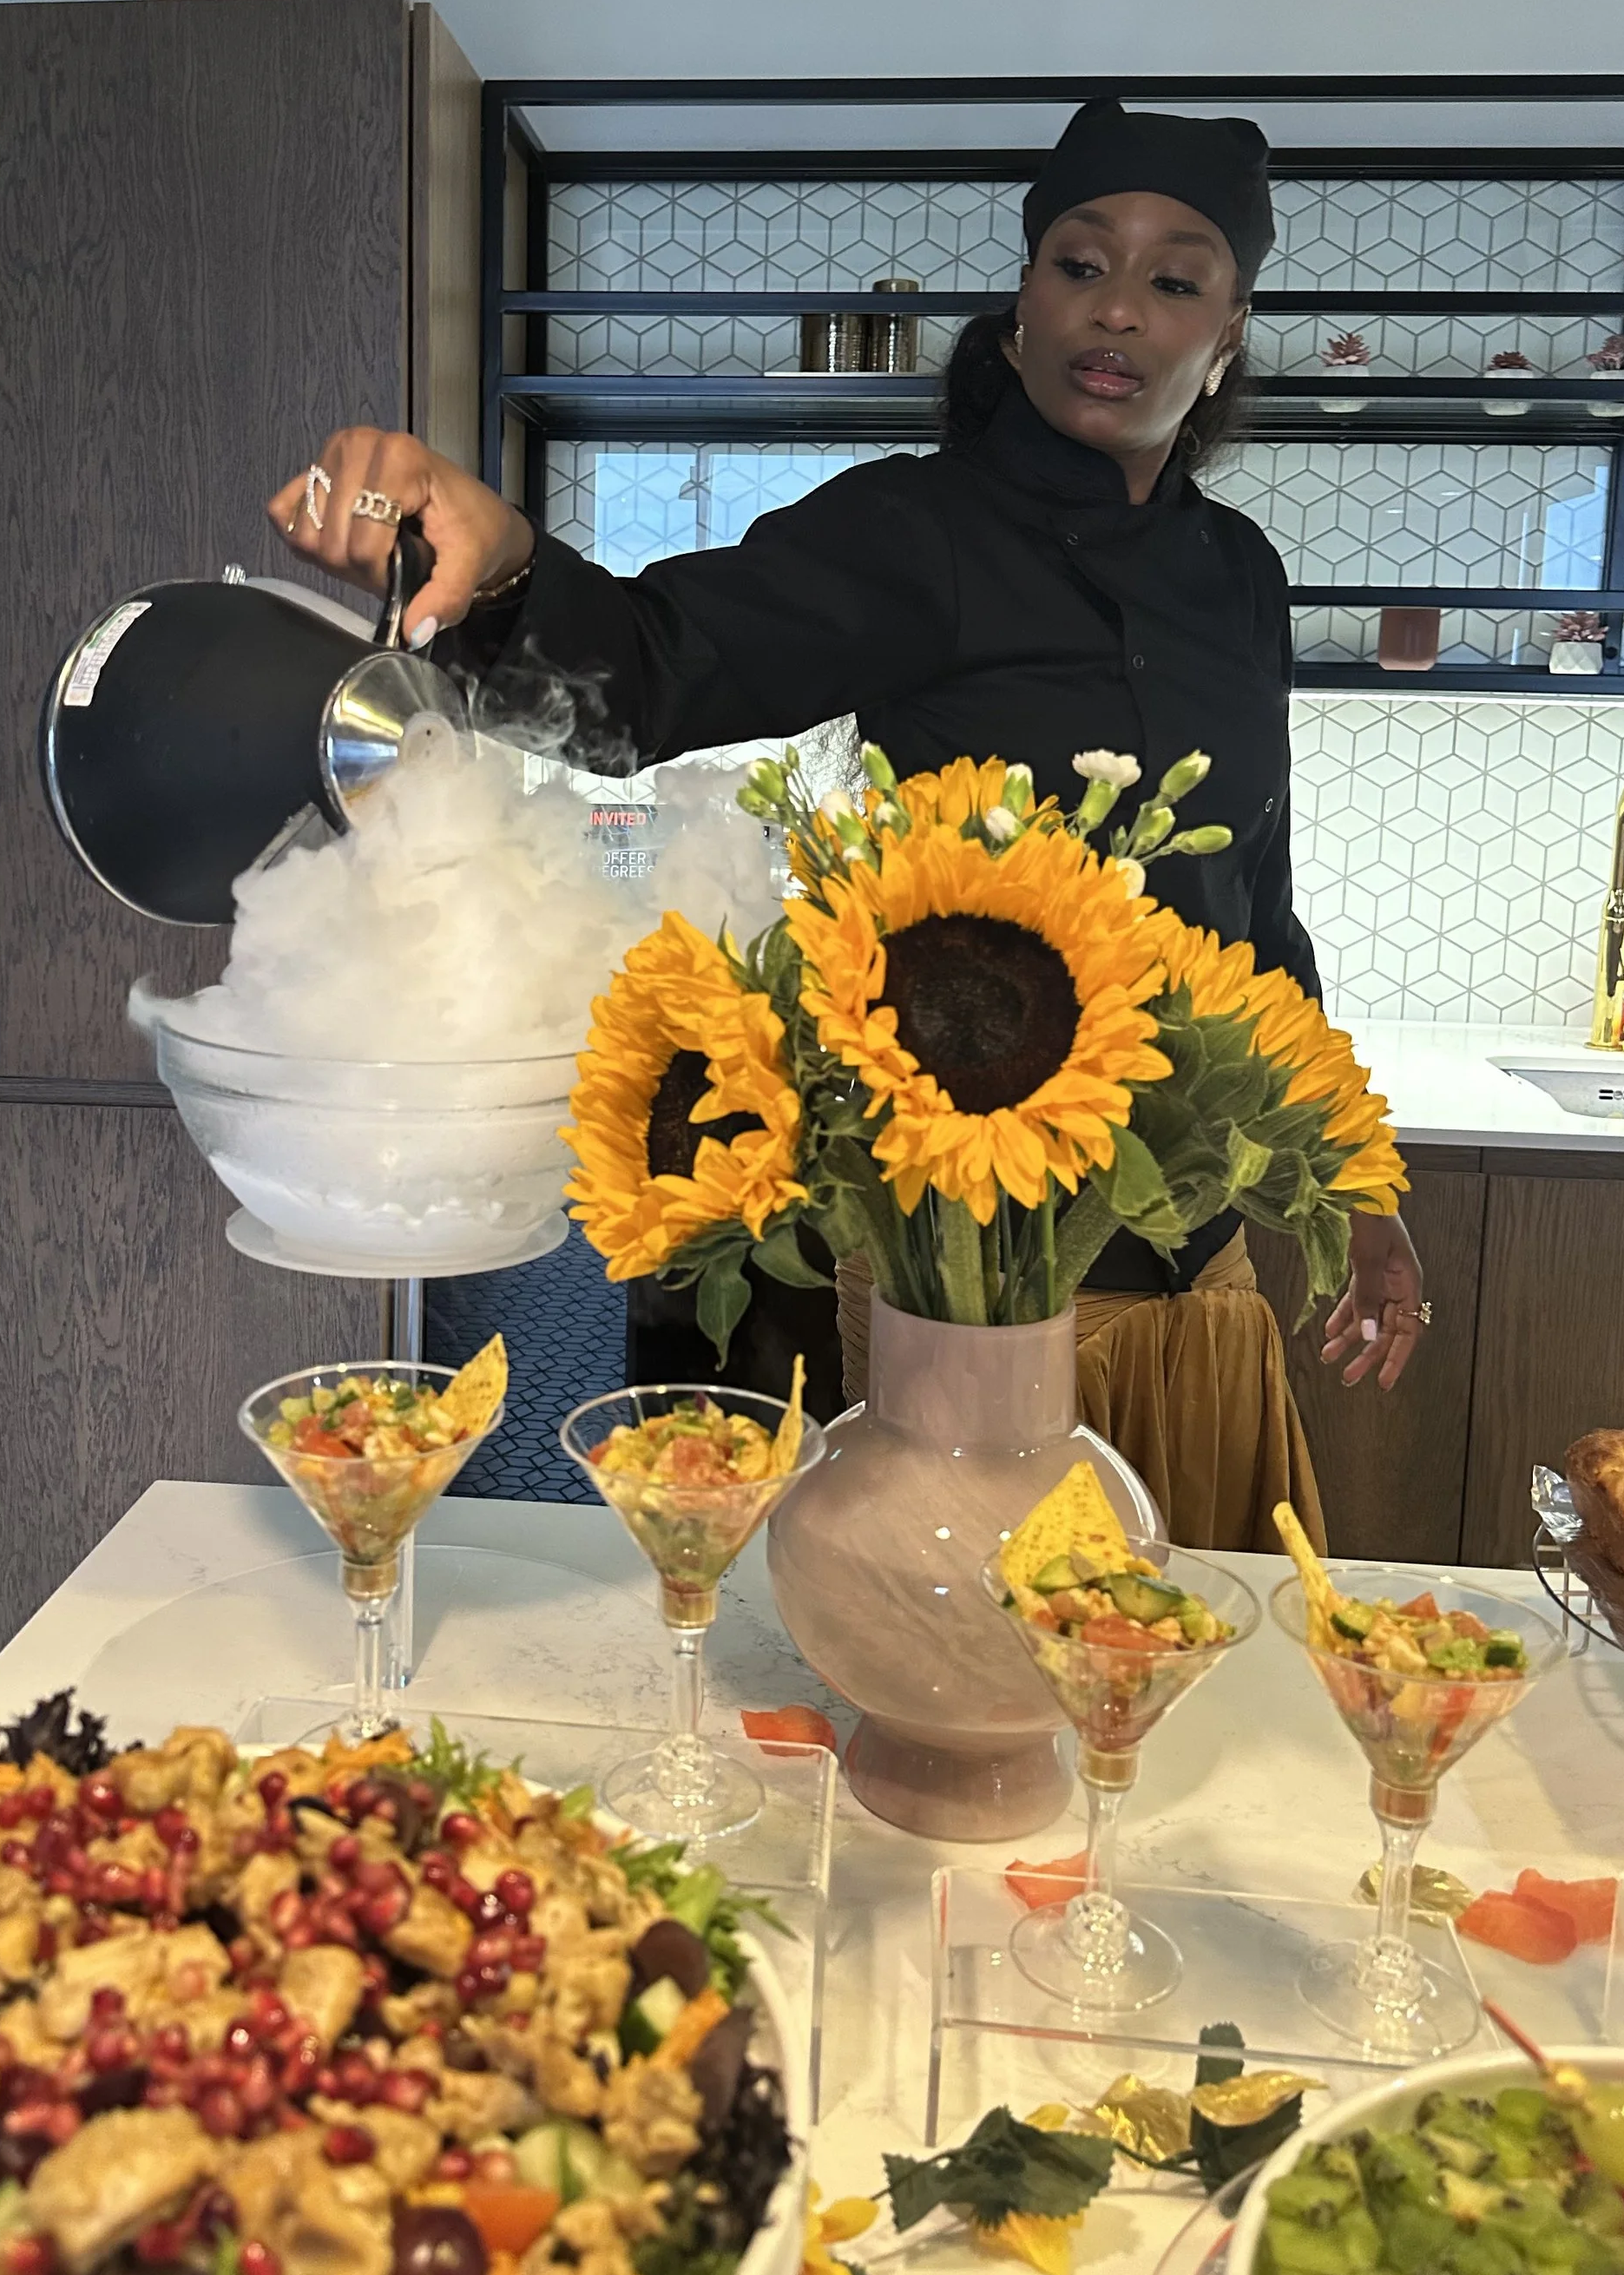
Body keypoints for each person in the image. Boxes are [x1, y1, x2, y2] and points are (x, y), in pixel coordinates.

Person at [270, 98, 1425, 1548]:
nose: (1117, 306)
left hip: (1199, 1273)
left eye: (1174, 278)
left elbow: (1259, 906)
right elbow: (651, 671)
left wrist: (1357, 1188)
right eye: (1078, 263)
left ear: (1229, 330)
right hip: (967, 1272)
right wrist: (497, 562)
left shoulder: (1241, 576)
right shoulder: (912, 533)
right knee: (958, 1668)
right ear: (1021, 305)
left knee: (1158, 1694)